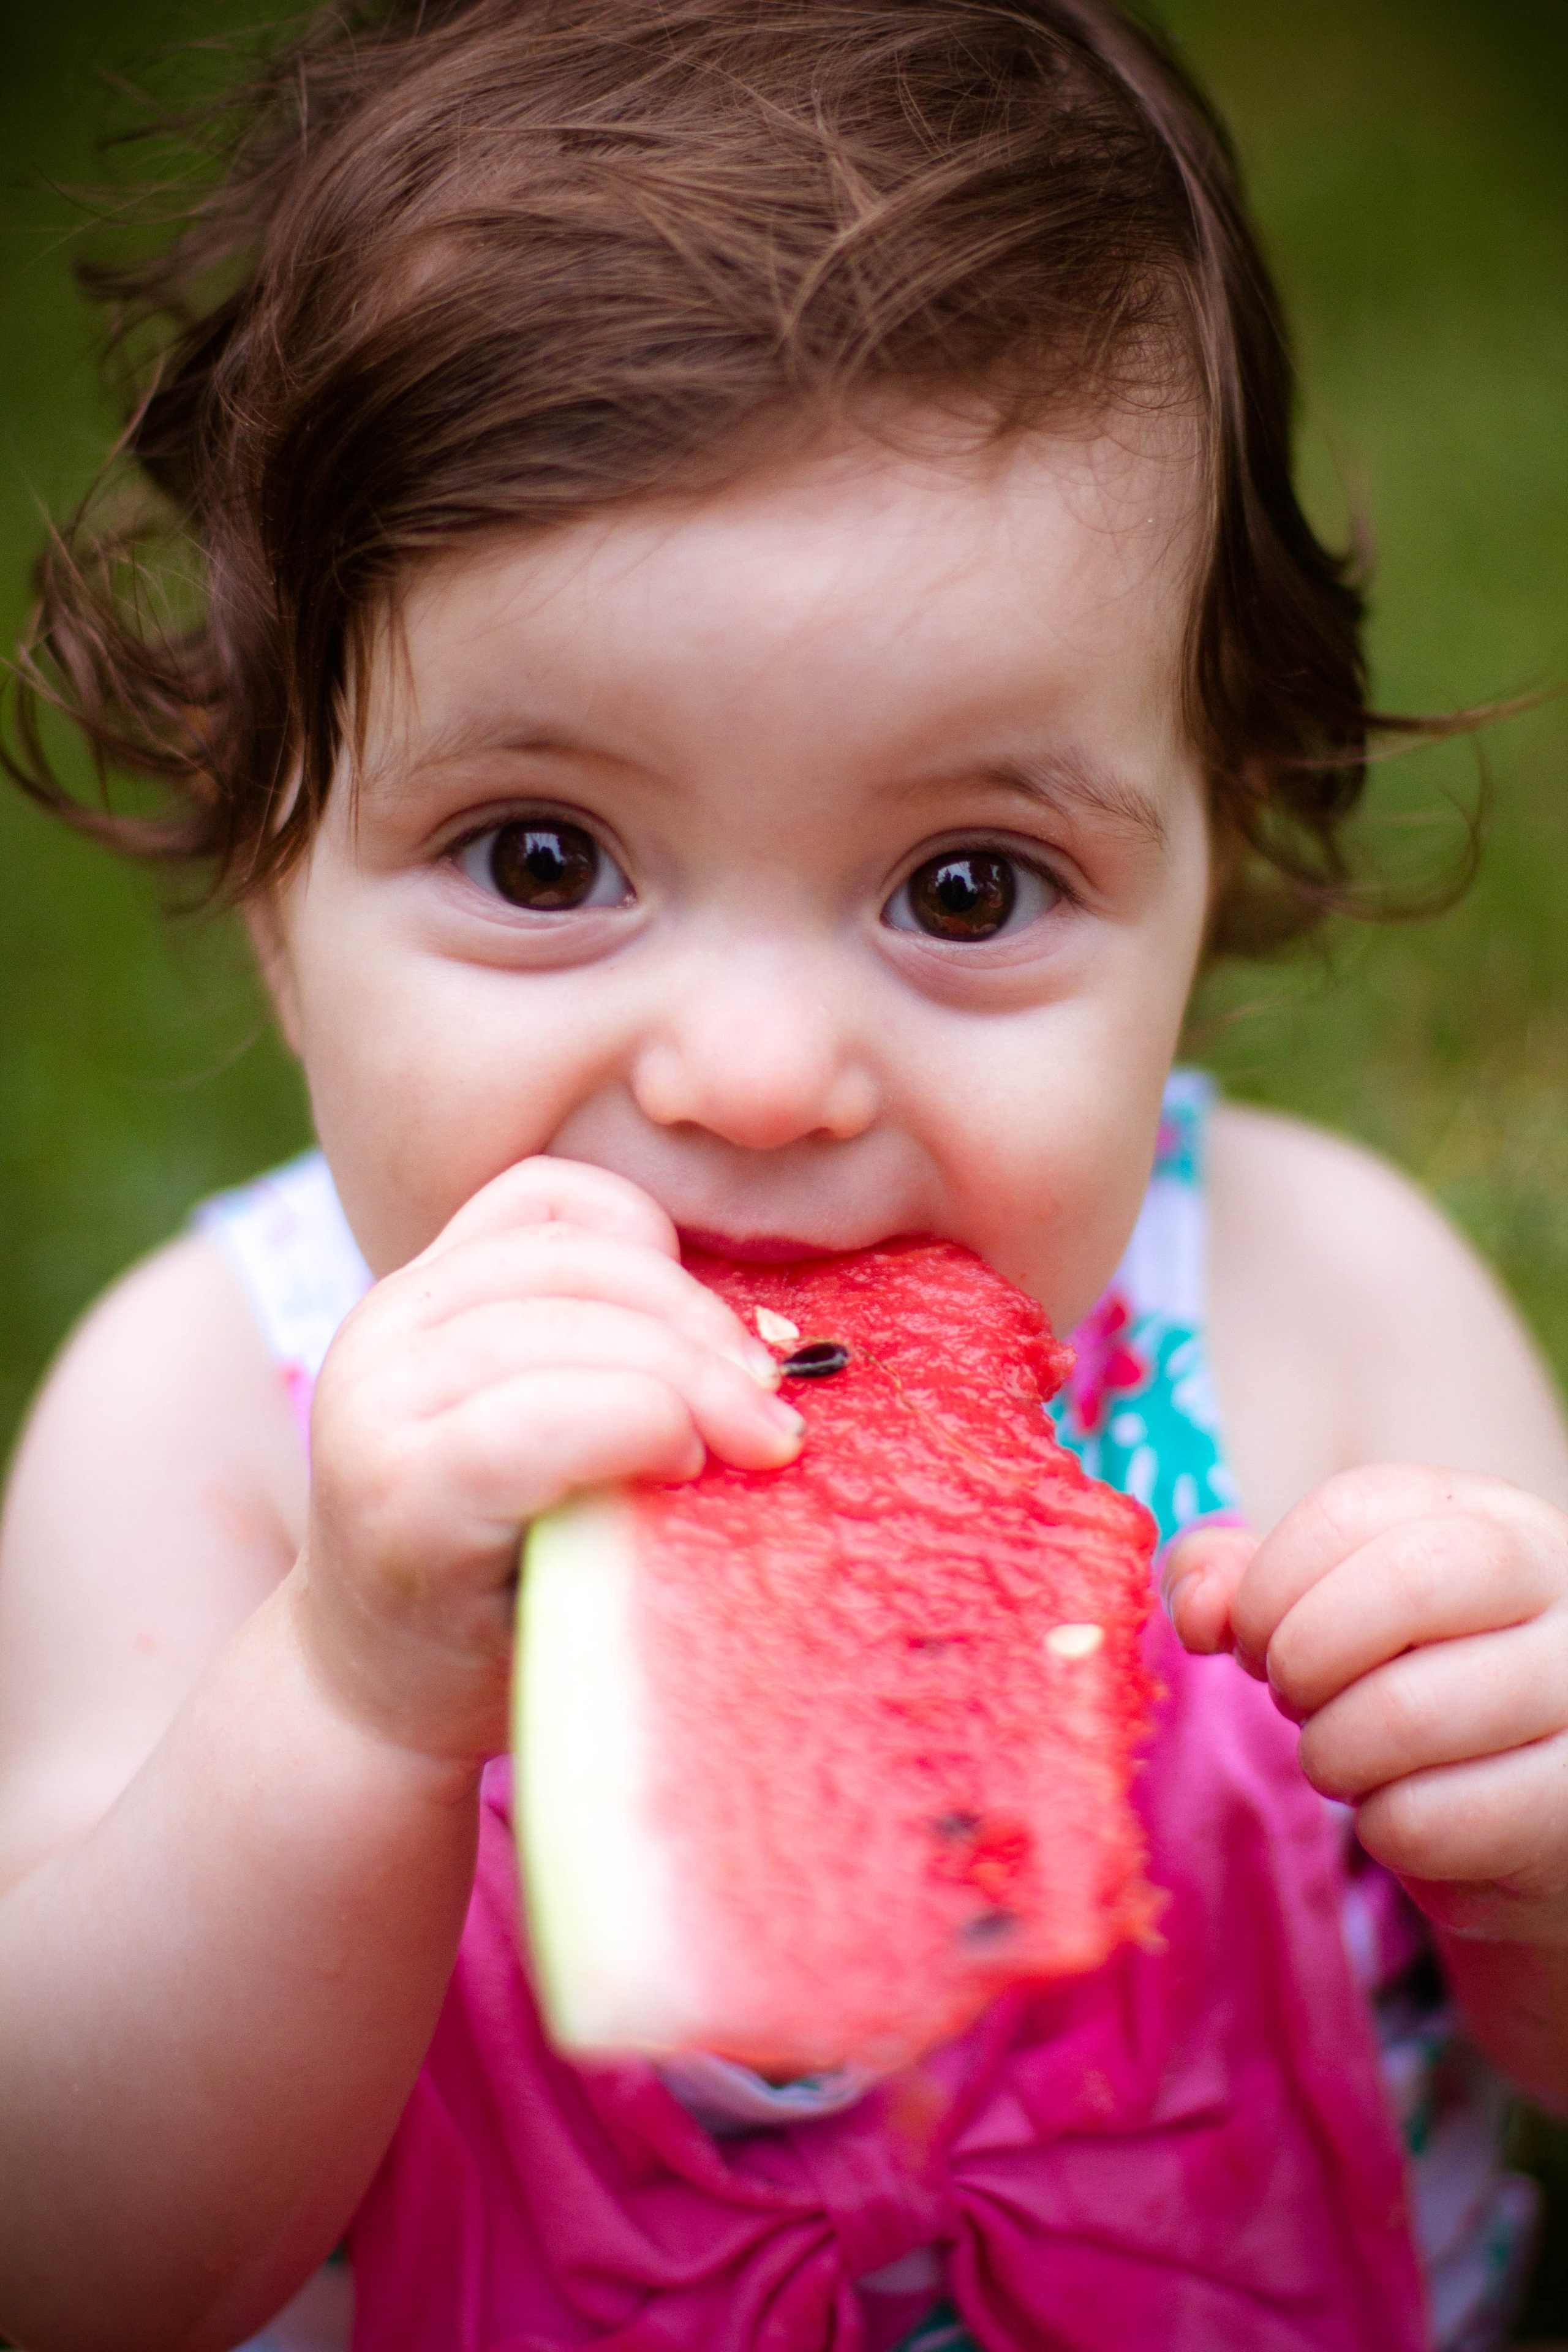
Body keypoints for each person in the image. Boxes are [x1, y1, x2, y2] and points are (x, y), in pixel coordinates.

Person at [1, 2, 1566, 2346]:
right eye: (546, 856)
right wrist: (340, 1699)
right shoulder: (210, 1420)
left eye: (963, 887)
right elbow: (75, 2253)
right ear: (274, 893)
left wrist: (1538, 1862)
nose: (752, 1077)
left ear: (1209, 878)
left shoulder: (1325, 1304)